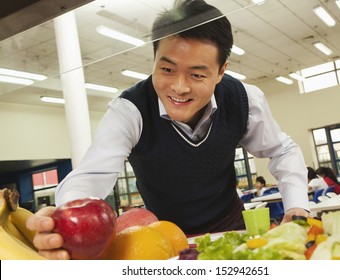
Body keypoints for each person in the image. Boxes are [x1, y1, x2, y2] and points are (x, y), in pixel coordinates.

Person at [26, 0, 309, 260]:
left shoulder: (245, 99)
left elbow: (281, 150)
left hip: (229, 227)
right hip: (161, 237)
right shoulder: (129, 110)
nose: (179, 87)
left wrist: (297, 206)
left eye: (197, 74)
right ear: (154, 60)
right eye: (167, 70)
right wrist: (64, 220)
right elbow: (91, 175)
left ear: (221, 70)